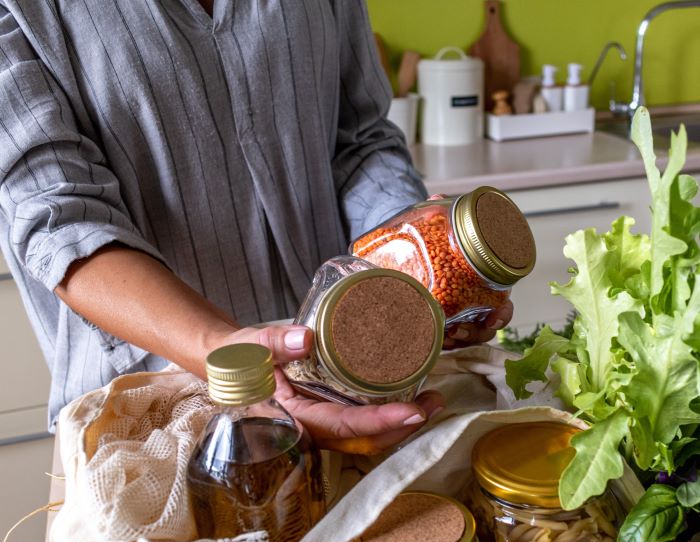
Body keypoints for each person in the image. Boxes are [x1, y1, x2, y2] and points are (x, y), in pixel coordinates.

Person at [0, 0, 512, 454]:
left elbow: (359, 139)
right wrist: (232, 362)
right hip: (152, 420)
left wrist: (414, 259)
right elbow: (59, 219)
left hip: (354, 381)